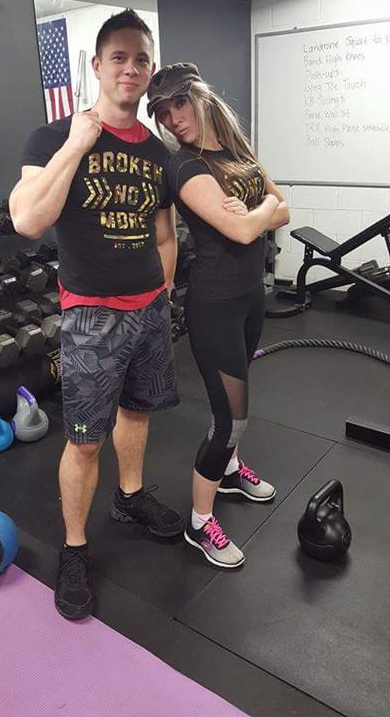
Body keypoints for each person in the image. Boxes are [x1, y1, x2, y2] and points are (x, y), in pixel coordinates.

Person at [9, 10, 185, 620]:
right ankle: (75, 548)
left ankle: (130, 496)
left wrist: (162, 292)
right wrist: (78, 145)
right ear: (97, 66)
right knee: (84, 442)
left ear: (150, 69)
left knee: (137, 411)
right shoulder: (51, 138)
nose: (130, 68)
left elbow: (165, 233)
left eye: (141, 59)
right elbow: (28, 220)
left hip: (149, 310)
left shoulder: (159, 153)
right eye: (119, 57)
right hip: (91, 317)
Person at [147, 63, 290, 568]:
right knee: (232, 420)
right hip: (215, 308)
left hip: (251, 300)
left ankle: (229, 472)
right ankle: (200, 521)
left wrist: (259, 212)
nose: (172, 118)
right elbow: (245, 230)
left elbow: (284, 207)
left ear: (200, 97)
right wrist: (261, 213)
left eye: (178, 104)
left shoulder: (234, 151)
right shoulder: (184, 167)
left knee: (230, 407)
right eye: (162, 112)